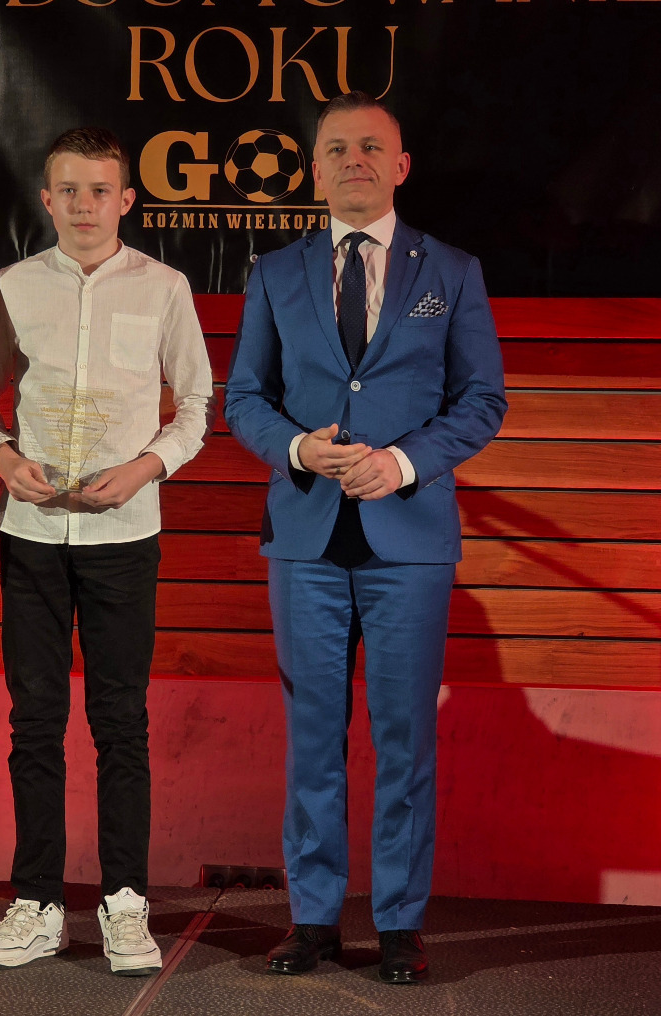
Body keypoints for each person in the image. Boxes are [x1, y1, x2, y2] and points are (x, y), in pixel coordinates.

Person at [224, 91, 507, 984]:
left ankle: (398, 925)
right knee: (313, 737)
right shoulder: (275, 272)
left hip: (409, 544)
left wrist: (404, 463)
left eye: (372, 147)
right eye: (338, 148)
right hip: (304, 541)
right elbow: (244, 400)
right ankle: (312, 920)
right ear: (314, 169)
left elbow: (483, 401)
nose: (355, 160)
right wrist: (297, 448)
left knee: (403, 740)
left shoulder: (452, 270)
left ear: (401, 165)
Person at [0, 128, 213, 976]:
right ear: (46, 199)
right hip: (30, 537)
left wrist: (145, 468)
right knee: (34, 722)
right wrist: (4, 458)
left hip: (124, 538)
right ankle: (36, 903)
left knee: (120, 723)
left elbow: (197, 406)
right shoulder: (14, 285)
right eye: (68, 190)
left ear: (127, 199)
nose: (84, 205)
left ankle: (125, 903)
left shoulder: (165, 287)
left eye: (100, 190)